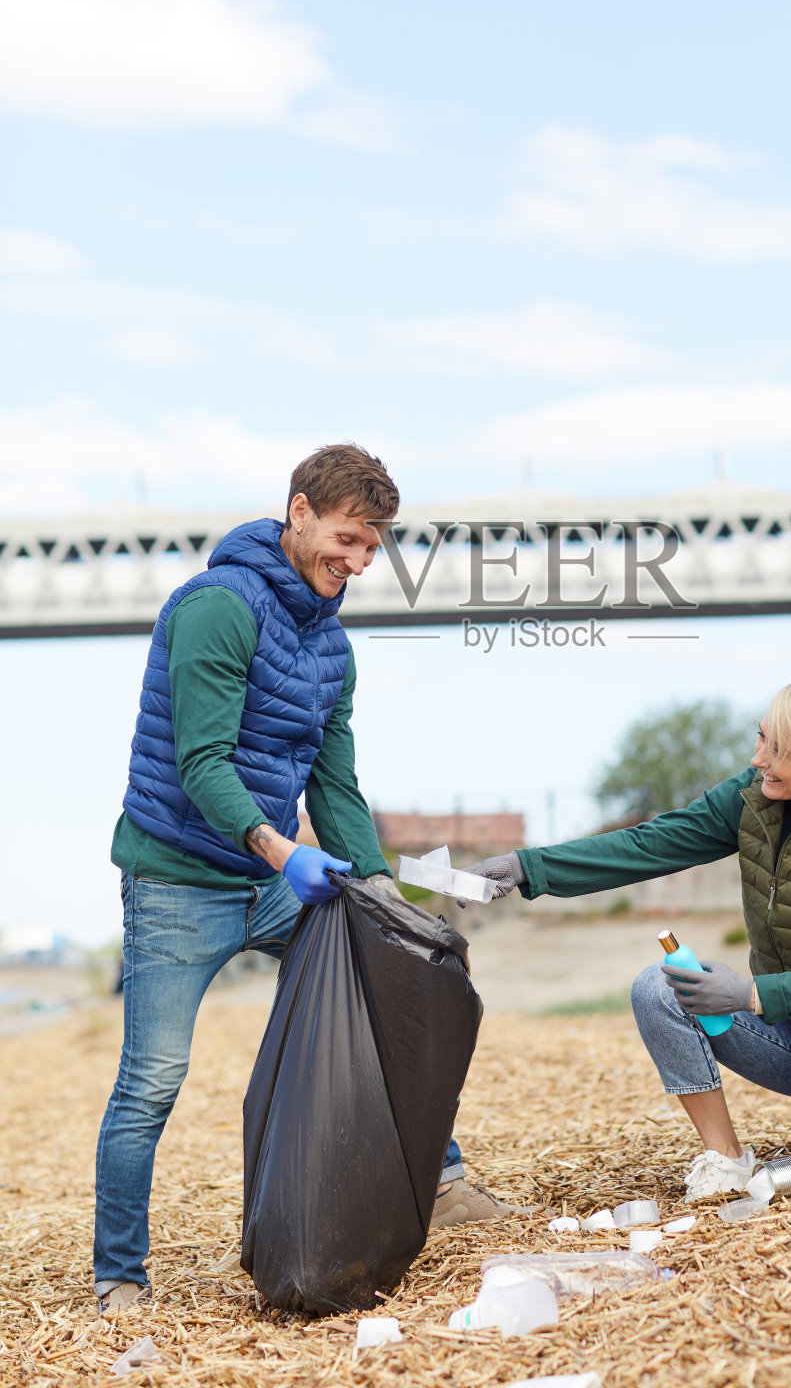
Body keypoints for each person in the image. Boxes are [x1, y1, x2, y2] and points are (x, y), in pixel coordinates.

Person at [94, 444, 518, 1317]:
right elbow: (204, 761)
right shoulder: (217, 608)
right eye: (346, 540)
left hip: (273, 874)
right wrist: (283, 851)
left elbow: (334, 783)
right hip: (178, 880)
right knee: (151, 1079)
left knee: (396, 976)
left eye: (372, 548)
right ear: (297, 514)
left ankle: (440, 1182)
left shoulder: (332, 644)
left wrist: (376, 891)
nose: (358, 563)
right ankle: (119, 1273)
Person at [467, 676, 791, 1200]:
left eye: (779, 750)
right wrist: (527, 867)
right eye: (761, 736)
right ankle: (726, 1160)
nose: (759, 757)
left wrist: (746, 995)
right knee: (660, 986)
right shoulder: (754, 798)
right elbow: (649, 845)